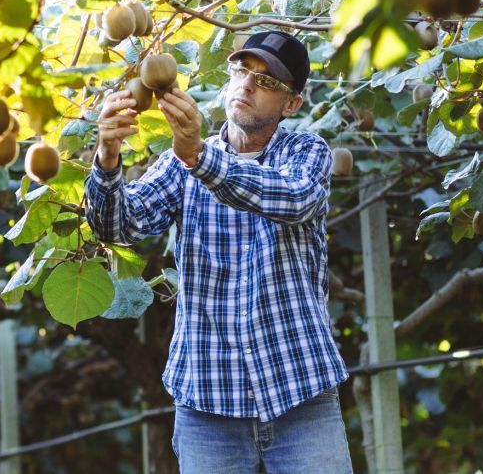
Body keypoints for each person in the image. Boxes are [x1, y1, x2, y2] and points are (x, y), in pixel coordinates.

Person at [85, 31, 353, 473]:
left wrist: (198, 158)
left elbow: (293, 198)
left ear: (291, 105)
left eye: (266, 81)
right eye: (242, 71)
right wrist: (108, 158)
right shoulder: (181, 163)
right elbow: (118, 226)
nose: (247, 85)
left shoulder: (306, 152)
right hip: (209, 401)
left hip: (300, 393)